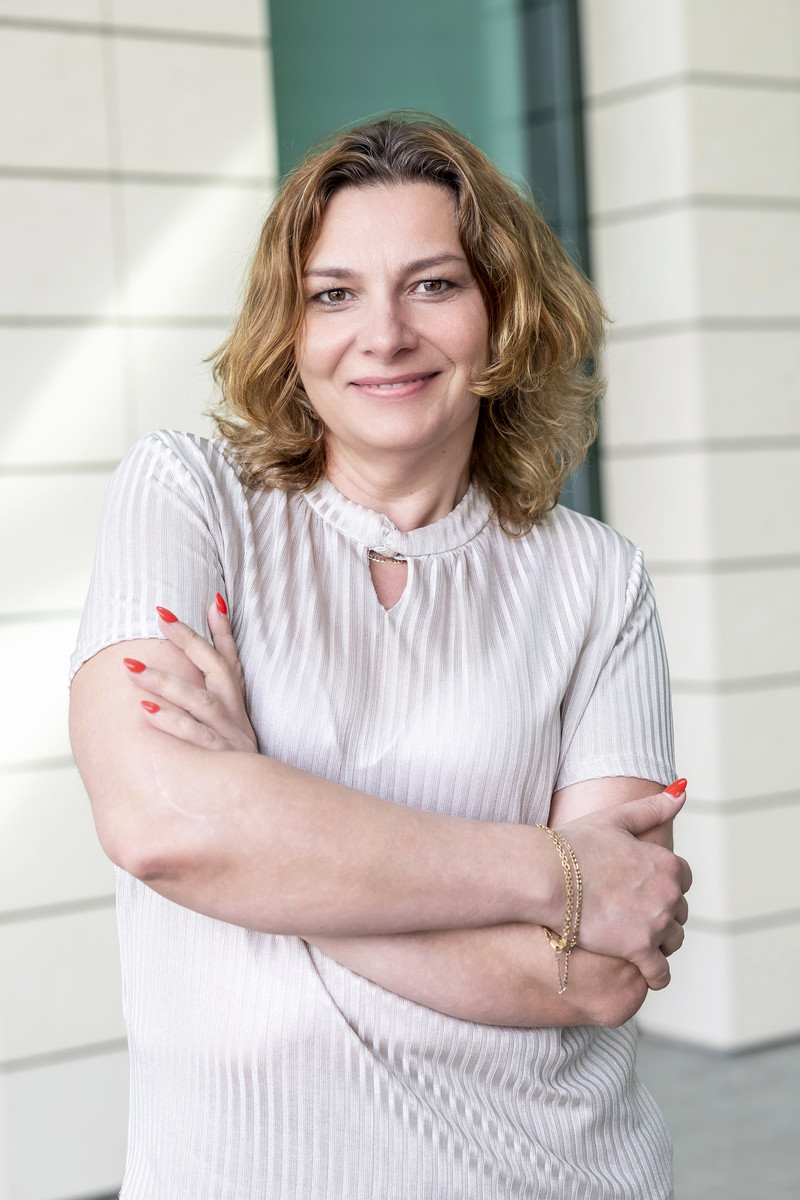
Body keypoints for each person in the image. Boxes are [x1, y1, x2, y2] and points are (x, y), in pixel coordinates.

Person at [69, 115, 691, 1199]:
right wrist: (556, 873)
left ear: (503, 312)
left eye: (433, 285)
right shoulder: (188, 496)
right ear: (288, 327)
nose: (385, 334)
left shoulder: (596, 578)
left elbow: (599, 972)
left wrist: (262, 824)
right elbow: (161, 826)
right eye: (334, 294)